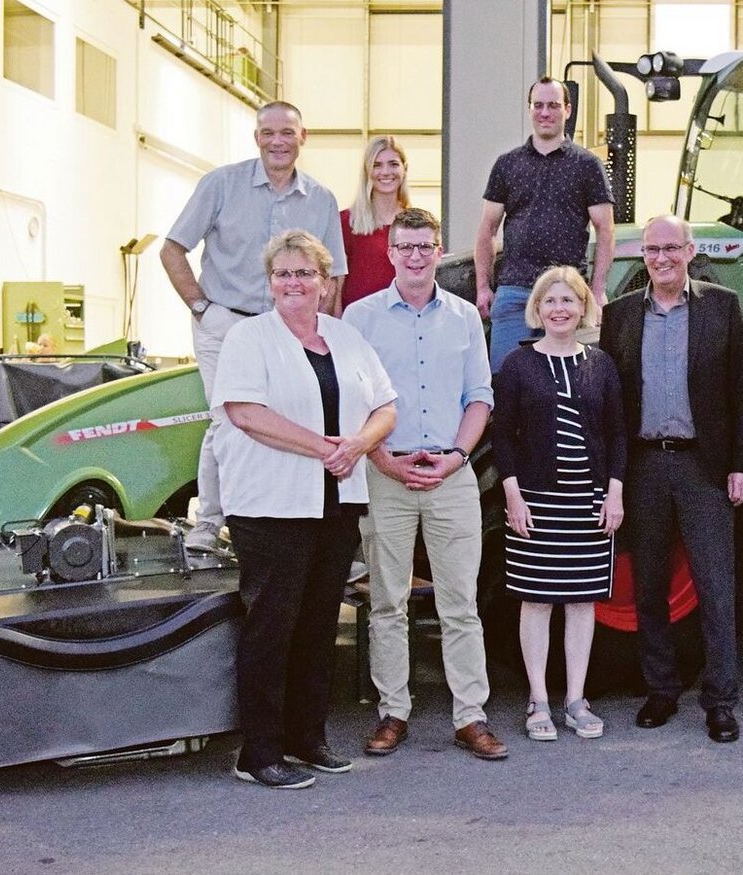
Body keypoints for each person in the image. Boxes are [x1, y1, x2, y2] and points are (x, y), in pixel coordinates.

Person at [212, 229, 397, 789]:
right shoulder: (249, 338)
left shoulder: (346, 339)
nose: (293, 283)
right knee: (272, 627)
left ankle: (306, 738)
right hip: (270, 506)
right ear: (269, 283)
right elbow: (246, 413)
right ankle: (259, 751)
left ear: (325, 282)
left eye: (304, 273)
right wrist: (328, 449)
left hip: (336, 502)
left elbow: (386, 405)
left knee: (319, 625)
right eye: (283, 274)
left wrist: (358, 445)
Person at [342, 208, 507, 761]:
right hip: (384, 472)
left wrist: (458, 455)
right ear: (390, 252)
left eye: (425, 246)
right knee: (388, 601)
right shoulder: (360, 317)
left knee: (462, 603)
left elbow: (479, 396)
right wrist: (381, 457)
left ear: (439, 251)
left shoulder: (463, 318)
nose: (415, 255)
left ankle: (470, 716)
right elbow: (353, 401)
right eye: (405, 246)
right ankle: (393, 711)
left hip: (450, 473)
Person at [598, 214, 743, 743]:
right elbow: (613, 402)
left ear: (690, 251)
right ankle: (661, 690)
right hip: (643, 466)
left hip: (702, 465)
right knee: (648, 587)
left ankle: (721, 700)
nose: (661, 258)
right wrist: (612, 475)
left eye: (671, 248)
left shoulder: (721, 306)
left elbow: (740, 392)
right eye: (651, 250)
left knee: (716, 587)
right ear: (641, 256)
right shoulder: (619, 315)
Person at [161, 100, 346, 554]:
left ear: (303, 138)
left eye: (287, 133)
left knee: (292, 419)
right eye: (268, 133)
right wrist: (203, 309)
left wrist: (325, 331)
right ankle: (208, 523)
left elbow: (334, 274)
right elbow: (171, 249)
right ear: (256, 137)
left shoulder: (320, 199)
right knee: (226, 420)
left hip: (291, 329)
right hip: (226, 323)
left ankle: (279, 516)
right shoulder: (220, 184)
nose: (277, 142)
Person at [493, 266, 626, 742]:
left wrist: (613, 493)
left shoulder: (600, 364)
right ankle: (538, 700)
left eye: (569, 300)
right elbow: (503, 436)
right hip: (536, 500)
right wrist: (514, 496)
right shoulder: (518, 364)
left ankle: (575, 699)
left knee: (580, 601)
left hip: (587, 501)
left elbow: (616, 435)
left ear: (583, 307)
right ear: (537, 309)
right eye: (550, 301)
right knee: (537, 600)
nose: (559, 309)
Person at [475, 76, 615, 372]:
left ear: (567, 109)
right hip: (514, 295)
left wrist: (598, 289)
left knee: (570, 384)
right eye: (538, 105)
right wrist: (483, 287)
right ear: (530, 110)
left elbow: (606, 229)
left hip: (567, 296)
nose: (545, 112)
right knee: (506, 383)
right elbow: (487, 228)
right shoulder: (507, 165)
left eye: (553, 105)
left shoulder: (588, 166)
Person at [339, 135, 410, 312]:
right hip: (358, 324)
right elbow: (335, 284)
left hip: (405, 322)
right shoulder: (346, 223)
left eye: (393, 164)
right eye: (377, 165)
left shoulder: (416, 224)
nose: (385, 172)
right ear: (367, 171)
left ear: (404, 169)